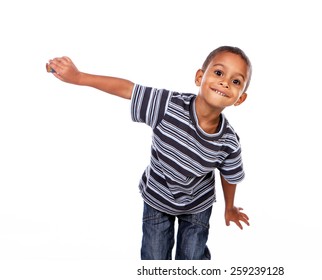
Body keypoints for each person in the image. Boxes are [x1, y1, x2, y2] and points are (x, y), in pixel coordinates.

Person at [47, 46, 252, 260]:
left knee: (192, 258)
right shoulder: (167, 105)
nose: (225, 82)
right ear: (200, 77)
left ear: (240, 98)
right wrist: (79, 77)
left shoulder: (228, 140)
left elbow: (230, 175)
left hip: (197, 205)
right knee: (154, 258)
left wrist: (230, 207)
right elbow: (128, 89)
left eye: (236, 81)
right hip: (157, 197)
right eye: (218, 73)